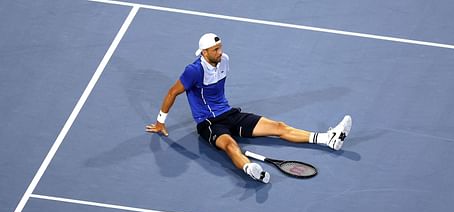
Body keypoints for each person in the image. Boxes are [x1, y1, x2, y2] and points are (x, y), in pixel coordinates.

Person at [146, 33, 352, 183]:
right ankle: (249, 168)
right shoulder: (193, 71)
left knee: (278, 127)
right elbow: (172, 92)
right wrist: (159, 122)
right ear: (204, 52)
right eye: (216, 50)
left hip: (230, 114)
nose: (221, 52)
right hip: (208, 123)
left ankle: (327, 139)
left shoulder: (224, 60)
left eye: (221, 48)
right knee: (230, 146)